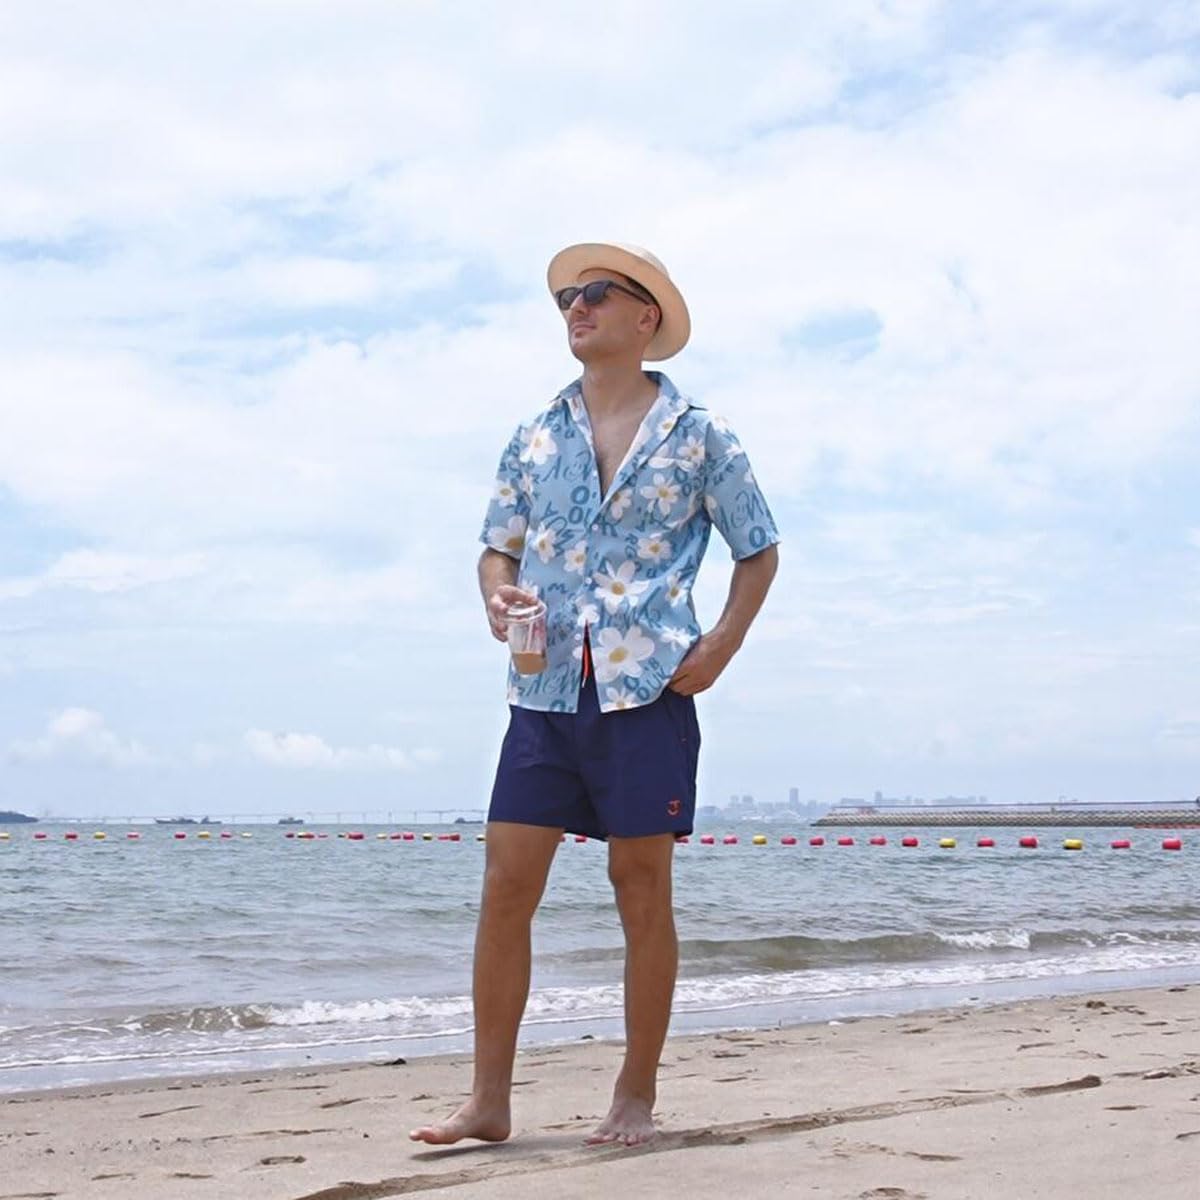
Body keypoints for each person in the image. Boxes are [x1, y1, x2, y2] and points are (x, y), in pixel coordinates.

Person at [410, 242, 779, 1148]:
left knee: (640, 887)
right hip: (541, 688)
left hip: (646, 686)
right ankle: (488, 1100)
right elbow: (496, 547)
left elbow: (759, 548)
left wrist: (723, 643)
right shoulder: (535, 433)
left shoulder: (702, 435)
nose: (575, 307)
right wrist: (495, 595)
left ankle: (634, 1094)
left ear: (645, 316)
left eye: (596, 293)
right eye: (567, 297)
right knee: (506, 884)